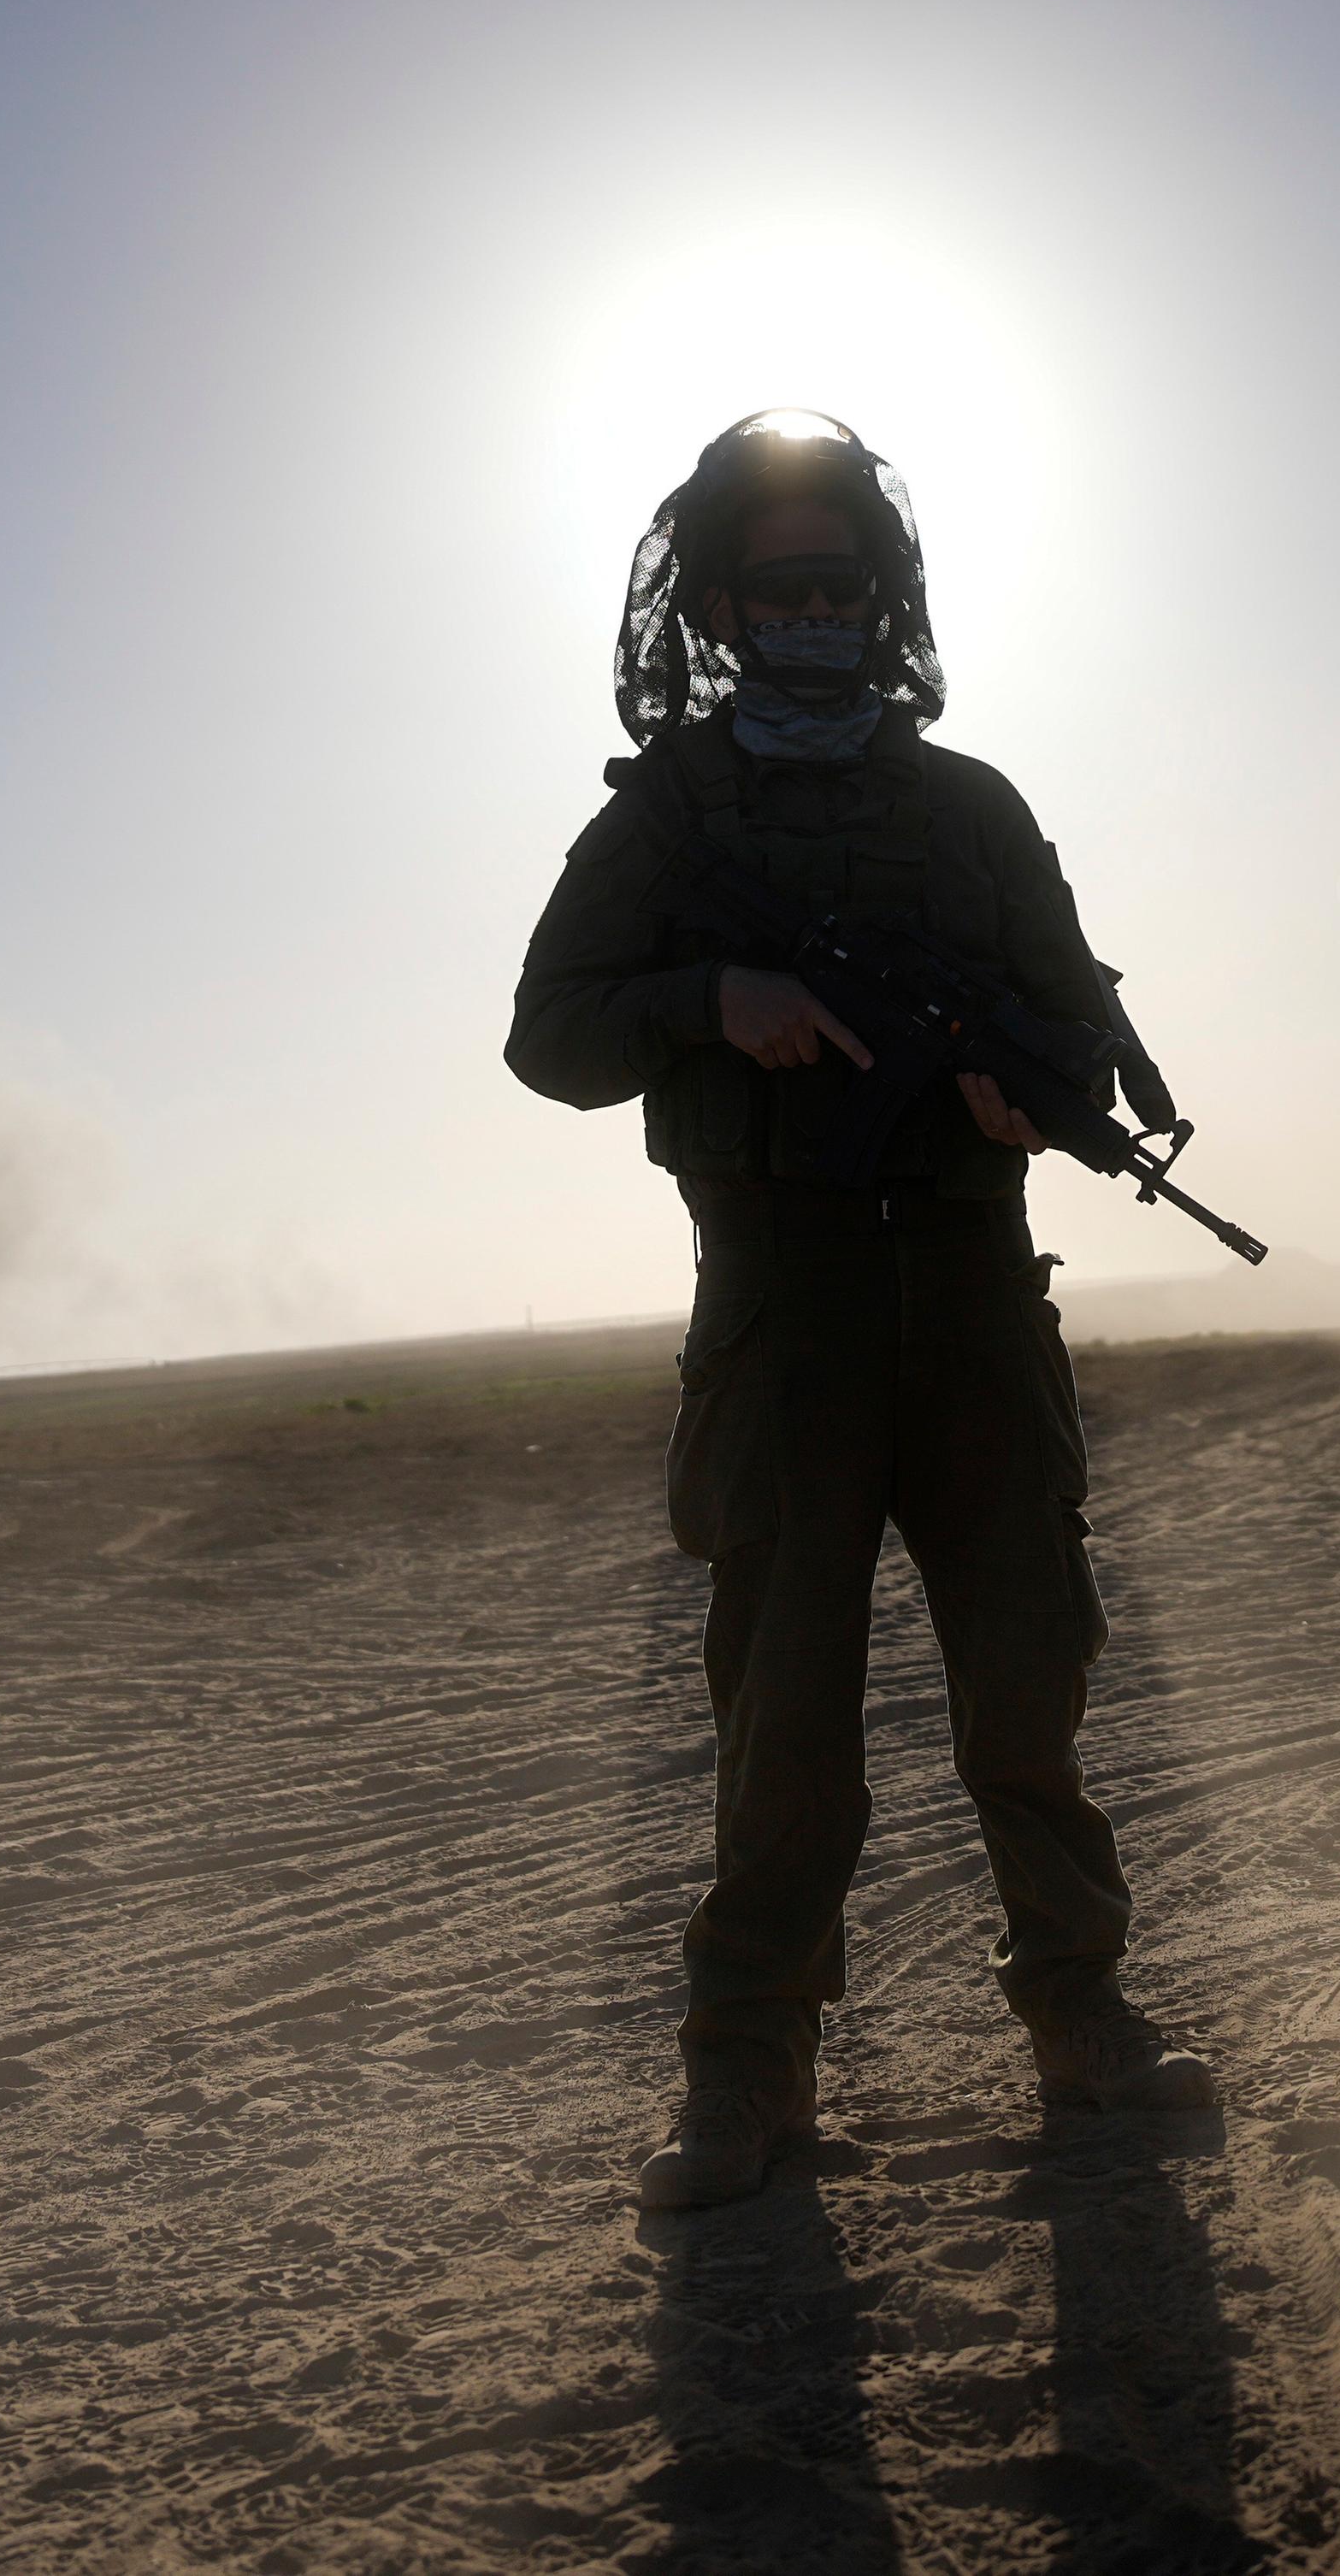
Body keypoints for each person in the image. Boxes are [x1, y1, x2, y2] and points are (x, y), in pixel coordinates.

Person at [509, 410, 1215, 2211]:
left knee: (1027, 1690)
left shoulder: (969, 806)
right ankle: (745, 2075)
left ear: (877, 599)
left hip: (976, 1297)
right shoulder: (669, 810)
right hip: (783, 1305)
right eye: (781, 586)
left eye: (843, 584)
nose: (815, 611)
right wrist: (708, 992)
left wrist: (1036, 1098)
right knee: (782, 1716)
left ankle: (1083, 2021)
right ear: (726, 603)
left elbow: (1075, 1027)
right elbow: (548, 1035)